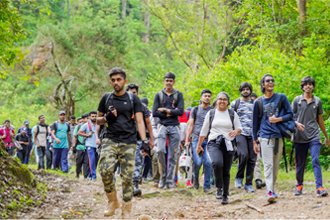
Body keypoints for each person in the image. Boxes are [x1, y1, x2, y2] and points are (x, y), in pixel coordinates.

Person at [96, 67, 148, 218]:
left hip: (129, 141)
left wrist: (144, 141)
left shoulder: (133, 99)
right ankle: (113, 201)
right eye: (113, 80)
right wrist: (107, 117)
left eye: (118, 79)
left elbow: (139, 120)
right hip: (110, 139)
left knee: (127, 177)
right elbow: (97, 120)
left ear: (125, 81)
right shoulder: (106, 98)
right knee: (105, 170)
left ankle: (126, 209)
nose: (115, 82)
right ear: (110, 82)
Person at [252, 74, 293, 202]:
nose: (271, 82)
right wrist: (254, 140)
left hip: (279, 137)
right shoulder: (258, 102)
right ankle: (269, 191)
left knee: (275, 168)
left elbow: (290, 114)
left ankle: (272, 188)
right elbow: (254, 123)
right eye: (267, 81)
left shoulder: (281, 98)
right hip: (265, 137)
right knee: (268, 165)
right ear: (263, 85)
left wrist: (278, 119)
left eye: (272, 80)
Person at [198, 92, 242, 204]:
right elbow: (203, 131)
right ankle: (219, 187)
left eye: (224, 99)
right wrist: (199, 145)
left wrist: (236, 131)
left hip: (228, 143)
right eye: (220, 99)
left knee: (226, 170)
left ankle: (225, 195)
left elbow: (239, 128)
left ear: (228, 101)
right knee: (217, 163)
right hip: (214, 142)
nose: (222, 101)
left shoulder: (232, 114)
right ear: (216, 100)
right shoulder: (211, 113)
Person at [292, 76, 329, 196]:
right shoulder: (296, 100)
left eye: (310, 84)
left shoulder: (317, 101)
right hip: (299, 137)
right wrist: (295, 123)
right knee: (300, 162)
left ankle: (319, 187)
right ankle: (299, 185)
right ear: (302, 87)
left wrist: (326, 137)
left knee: (315, 160)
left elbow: (320, 120)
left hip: (314, 136)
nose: (308, 86)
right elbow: (290, 117)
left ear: (313, 87)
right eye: (306, 84)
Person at [152, 72, 184, 189]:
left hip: (175, 126)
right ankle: (162, 177)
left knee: (173, 154)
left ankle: (170, 180)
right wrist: (171, 112)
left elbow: (180, 112)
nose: (169, 83)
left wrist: (165, 110)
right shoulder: (158, 95)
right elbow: (155, 112)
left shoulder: (178, 95)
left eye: (171, 81)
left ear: (174, 82)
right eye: (167, 80)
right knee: (160, 150)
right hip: (162, 126)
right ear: (164, 81)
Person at [126, 84, 154, 196]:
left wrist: (151, 139)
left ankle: (135, 184)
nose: (132, 95)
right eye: (130, 93)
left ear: (137, 93)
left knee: (138, 161)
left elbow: (148, 123)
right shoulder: (122, 106)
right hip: (125, 138)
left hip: (139, 138)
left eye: (134, 93)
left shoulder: (143, 107)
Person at [184, 89, 213, 193]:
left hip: (209, 140)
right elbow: (190, 125)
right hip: (196, 139)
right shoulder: (195, 109)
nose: (207, 97)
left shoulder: (213, 110)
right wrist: (187, 139)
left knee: (208, 162)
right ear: (201, 98)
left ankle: (206, 186)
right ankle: (195, 177)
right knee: (197, 162)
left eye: (209, 96)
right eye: (205, 96)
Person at [230, 82, 257, 193]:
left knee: (252, 159)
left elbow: (259, 118)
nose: (245, 91)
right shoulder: (235, 103)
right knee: (243, 154)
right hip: (240, 133)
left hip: (253, 134)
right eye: (243, 89)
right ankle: (239, 177)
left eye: (247, 89)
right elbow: (230, 118)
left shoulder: (256, 103)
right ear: (240, 91)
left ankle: (248, 184)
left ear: (250, 91)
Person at [250, 93, 266, 189]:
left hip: (265, 135)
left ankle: (266, 179)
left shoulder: (263, 109)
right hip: (252, 136)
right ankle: (257, 179)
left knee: (266, 159)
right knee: (256, 159)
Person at [78, 111, 99, 181]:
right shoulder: (87, 125)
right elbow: (79, 133)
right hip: (89, 145)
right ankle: (94, 176)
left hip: (97, 146)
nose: (94, 117)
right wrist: (87, 135)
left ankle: (90, 175)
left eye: (95, 116)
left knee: (96, 161)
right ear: (89, 117)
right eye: (92, 116)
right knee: (91, 160)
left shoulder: (99, 124)